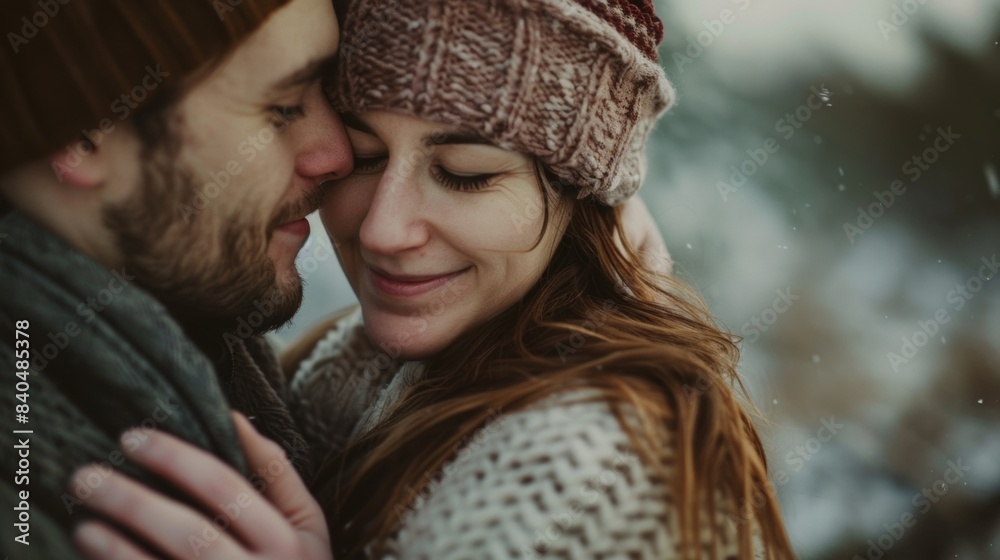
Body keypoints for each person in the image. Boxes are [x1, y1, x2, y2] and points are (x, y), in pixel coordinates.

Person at [66, 0, 796, 558]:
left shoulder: (582, 466)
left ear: (586, 198)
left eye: (465, 176)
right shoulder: (366, 362)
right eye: (366, 155)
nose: (384, 229)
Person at [0, 0, 353, 557]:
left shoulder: (224, 359)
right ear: (88, 137)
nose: (337, 154)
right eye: (283, 108)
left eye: (330, 97)